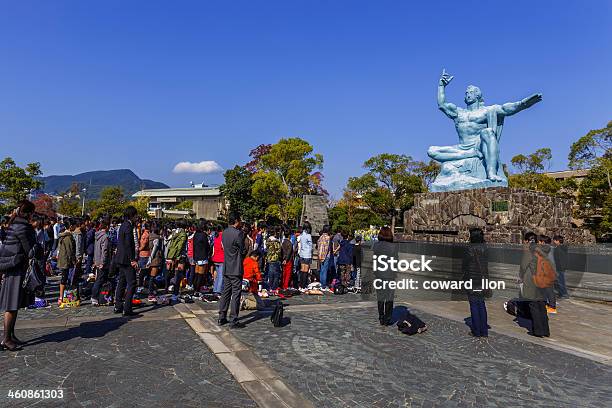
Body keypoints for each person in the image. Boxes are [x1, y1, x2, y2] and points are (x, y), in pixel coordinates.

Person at [0, 200, 38, 351]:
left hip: (11, 267)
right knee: (11, 305)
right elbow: (30, 251)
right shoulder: (23, 227)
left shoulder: (14, 223)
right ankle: (6, 339)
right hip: (16, 268)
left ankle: (11, 335)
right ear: (29, 213)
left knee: (13, 305)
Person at [218, 213, 247, 329]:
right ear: (236, 220)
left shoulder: (224, 232)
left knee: (226, 292)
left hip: (227, 266)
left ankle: (222, 316)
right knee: (236, 293)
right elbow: (243, 250)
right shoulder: (238, 233)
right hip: (235, 267)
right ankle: (233, 319)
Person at [519, 231, 550, 337]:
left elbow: (523, 266)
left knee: (533, 305)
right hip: (542, 280)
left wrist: (521, 276)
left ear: (527, 240)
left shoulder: (529, 251)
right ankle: (545, 330)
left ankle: (538, 330)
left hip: (532, 281)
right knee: (541, 304)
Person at [462, 228, 489, 337]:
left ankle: (476, 331)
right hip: (482, 280)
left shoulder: (469, 249)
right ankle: (484, 330)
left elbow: (464, 265)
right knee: (481, 304)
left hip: (471, 280)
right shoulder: (485, 248)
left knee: (474, 304)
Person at [113, 206, 139, 317]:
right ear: (132, 215)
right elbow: (128, 245)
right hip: (127, 259)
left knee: (122, 282)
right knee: (132, 283)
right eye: (136, 215)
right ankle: (127, 308)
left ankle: (118, 305)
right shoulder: (128, 226)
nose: (137, 217)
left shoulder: (123, 225)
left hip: (120, 258)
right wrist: (132, 259)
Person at [373, 226, 397, 326]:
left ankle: (381, 317)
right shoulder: (394, 247)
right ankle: (387, 317)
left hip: (379, 274)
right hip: (390, 275)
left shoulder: (376, 245)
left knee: (380, 297)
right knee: (389, 297)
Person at [91, 218, 111, 306]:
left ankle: (101, 296)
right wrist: (103, 262)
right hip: (102, 262)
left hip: (97, 260)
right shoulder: (105, 237)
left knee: (100, 279)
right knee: (99, 280)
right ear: (106, 226)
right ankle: (94, 297)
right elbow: (105, 251)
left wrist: (95, 261)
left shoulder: (97, 235)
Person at [57, 219, 77, 305]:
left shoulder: (63, 235)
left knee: (64, 278)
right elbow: (70, 251)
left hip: (63, 259)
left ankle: (62, 297)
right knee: (65, 278)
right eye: (74, 225)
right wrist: (74, 260)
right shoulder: (68, 237)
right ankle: (62, 297)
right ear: (71, 226)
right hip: (66, 260)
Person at [146, 225, 164, 301]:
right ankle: (150, 294)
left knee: (150, 276)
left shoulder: (149, 236)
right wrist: (151, 258)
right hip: (155, 258)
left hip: (149, 256)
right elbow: (155, 248)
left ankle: (151, 290)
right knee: (152, 276)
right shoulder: (157, 238)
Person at [192, 221, 210, 294]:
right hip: (202, 256)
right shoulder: (203, 235)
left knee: (196, 273)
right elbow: (207, 246)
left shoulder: (195, 234)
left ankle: (194, 289)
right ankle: (197, 290)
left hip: (196, 256)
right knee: (200, 274)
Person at [553, 235, 569, 299]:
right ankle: (561, 293)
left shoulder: (557, 249)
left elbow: (557, 259)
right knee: (560, 281)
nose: (553, 241)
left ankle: (564, 294)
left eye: (554, 240)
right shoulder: (563, 247)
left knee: (560, 281)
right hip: (562, 267)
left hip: (559, 267)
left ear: (557, 241)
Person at [297, 225, 313, 289]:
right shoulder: (308, 235)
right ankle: (304, 286)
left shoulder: (301, 235)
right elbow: (311, 246)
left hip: (302, 254)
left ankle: (300, 285)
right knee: (306, 270)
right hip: (307, 254)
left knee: (302, 269)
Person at [317, 225, 331, 290]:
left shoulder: (320, 237)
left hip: (320, 256)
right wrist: (324, 257)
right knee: (324, 271)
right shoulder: (328, 238)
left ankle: (321, 283)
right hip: (326, 256)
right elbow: (327, 248)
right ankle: (323, 285)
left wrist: (320, 256)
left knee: (322, 270)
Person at [211, 225, 225, 294]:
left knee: (217, 275)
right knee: (221, 276)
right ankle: (219, 290)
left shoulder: (215, 236)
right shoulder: (223, 236)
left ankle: (215, 289)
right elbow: (224, 247)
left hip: (215, 257)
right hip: (222, 258)